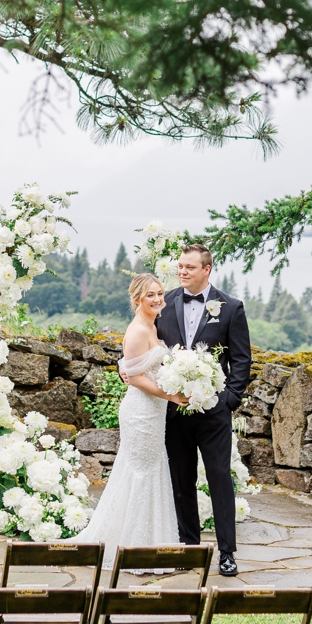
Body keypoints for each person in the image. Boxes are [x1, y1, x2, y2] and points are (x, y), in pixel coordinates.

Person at [68, 274, 186, 562]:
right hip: (141, 412)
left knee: (150, 470)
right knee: (141, 473)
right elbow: (133, 378)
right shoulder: (137, 331)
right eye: (150, 295)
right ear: (137, 300)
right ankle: (133, 551)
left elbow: (137, 368)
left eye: (160, 293)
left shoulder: (152, 325)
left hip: (154, 413)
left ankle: (149, 543)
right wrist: (170, 396)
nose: (158, 299)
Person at [151, 244, 252, 577]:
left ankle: (227, 553)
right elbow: (151, 349)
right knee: (181, 479)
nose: (182, 272)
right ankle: (189, 548)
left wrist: (229, 399)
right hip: (174, 412)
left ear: (207, 270)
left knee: (220, 478)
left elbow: (241, 359)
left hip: (213, 413)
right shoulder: (163, 304)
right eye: (180, 266)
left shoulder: (231, 307)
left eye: (189, 268)